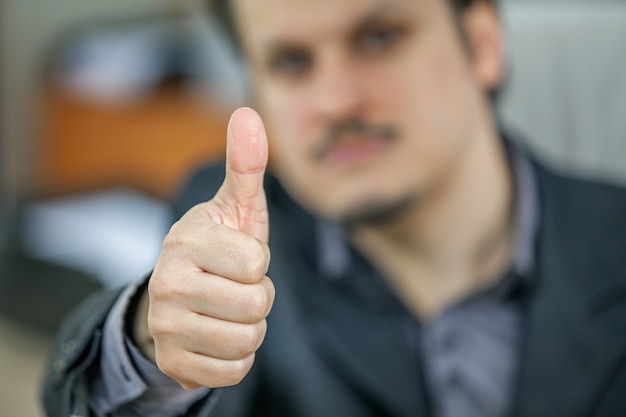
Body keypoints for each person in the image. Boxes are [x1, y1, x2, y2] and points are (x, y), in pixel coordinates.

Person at [42, 0, 626, 416]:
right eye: (291, 62)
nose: (336, 101)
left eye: (379, 37)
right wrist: (150, 343)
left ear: (482, 46)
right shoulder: (236, 236)